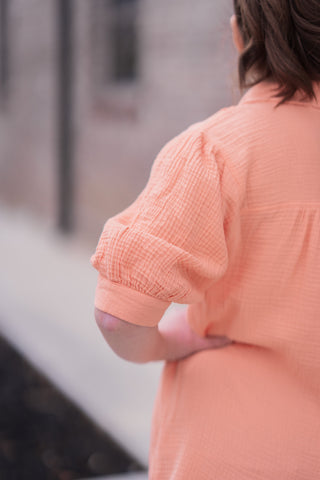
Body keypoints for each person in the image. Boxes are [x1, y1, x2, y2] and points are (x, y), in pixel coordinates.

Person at [90, 0, 320, 478]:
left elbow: (118, 318)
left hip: (230, 453)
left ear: (240, 36)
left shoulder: (216, 152)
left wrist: (166, 345)